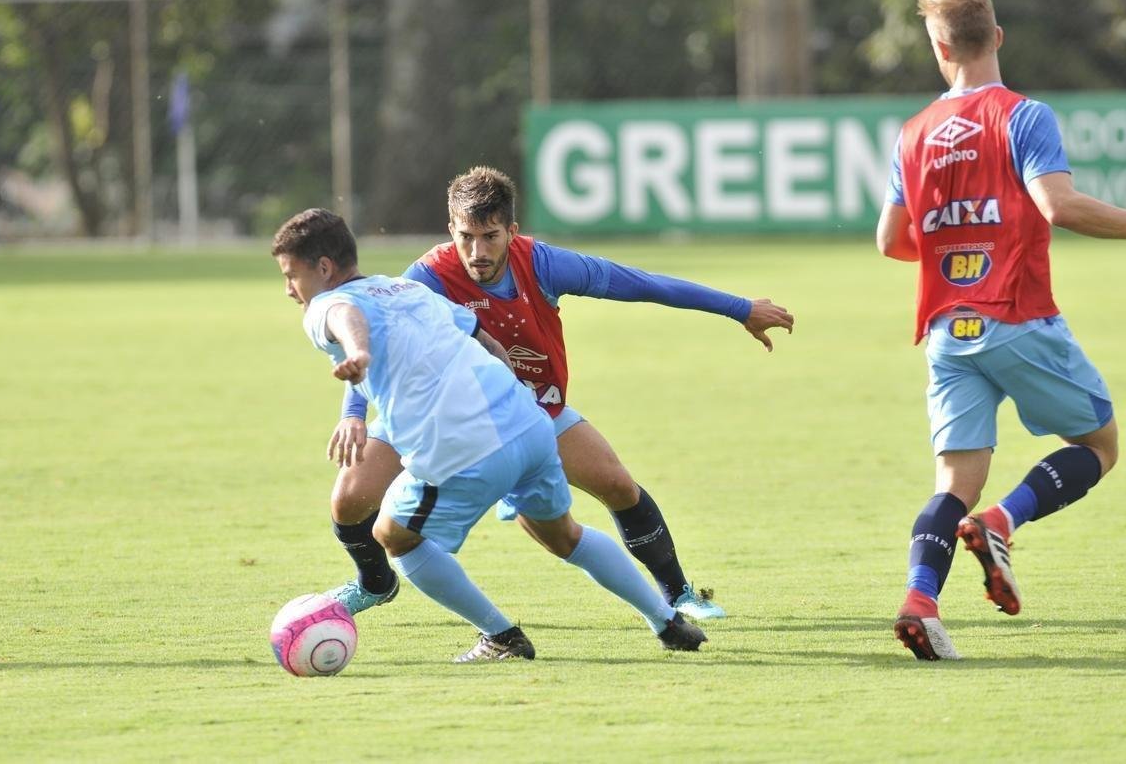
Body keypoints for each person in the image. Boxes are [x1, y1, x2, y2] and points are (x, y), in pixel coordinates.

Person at [323, 166, 795, 622]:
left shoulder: (543, 264)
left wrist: (738, 308)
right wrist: (354, 413)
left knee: (616, 485)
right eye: (466, 237)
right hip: (433, 414)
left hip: (526, 410)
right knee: (349, 498)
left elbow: (640, 283)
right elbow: (370, 341)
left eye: (490, 236)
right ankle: (374, 583)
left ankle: (679, 595)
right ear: (451, 230)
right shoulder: (427, 276)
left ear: (512, 231)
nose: (477, 251)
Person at [272, 208, 706, 661]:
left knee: (393, 535)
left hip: (463, 446)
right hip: (530, 425)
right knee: (564, 536)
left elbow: (344, 315)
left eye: (291, 275)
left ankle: (501, 636)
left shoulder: (325, 305)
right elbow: (490, 343)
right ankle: (667, 621)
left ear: (324, 268)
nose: (289, 289)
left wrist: (358, 351)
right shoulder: (406, 289)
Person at [877, 0, 1126, 660]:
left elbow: (891, 240)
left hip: (946, 329)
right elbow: (1060, 205)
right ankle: (1003, 520)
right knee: (1101, 445)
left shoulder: (913, 133)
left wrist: (954, 246)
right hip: (1017, 315)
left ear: (939, 48)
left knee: (953, 484)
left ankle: (920, 602)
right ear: (997, 37)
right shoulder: (1023, 115)